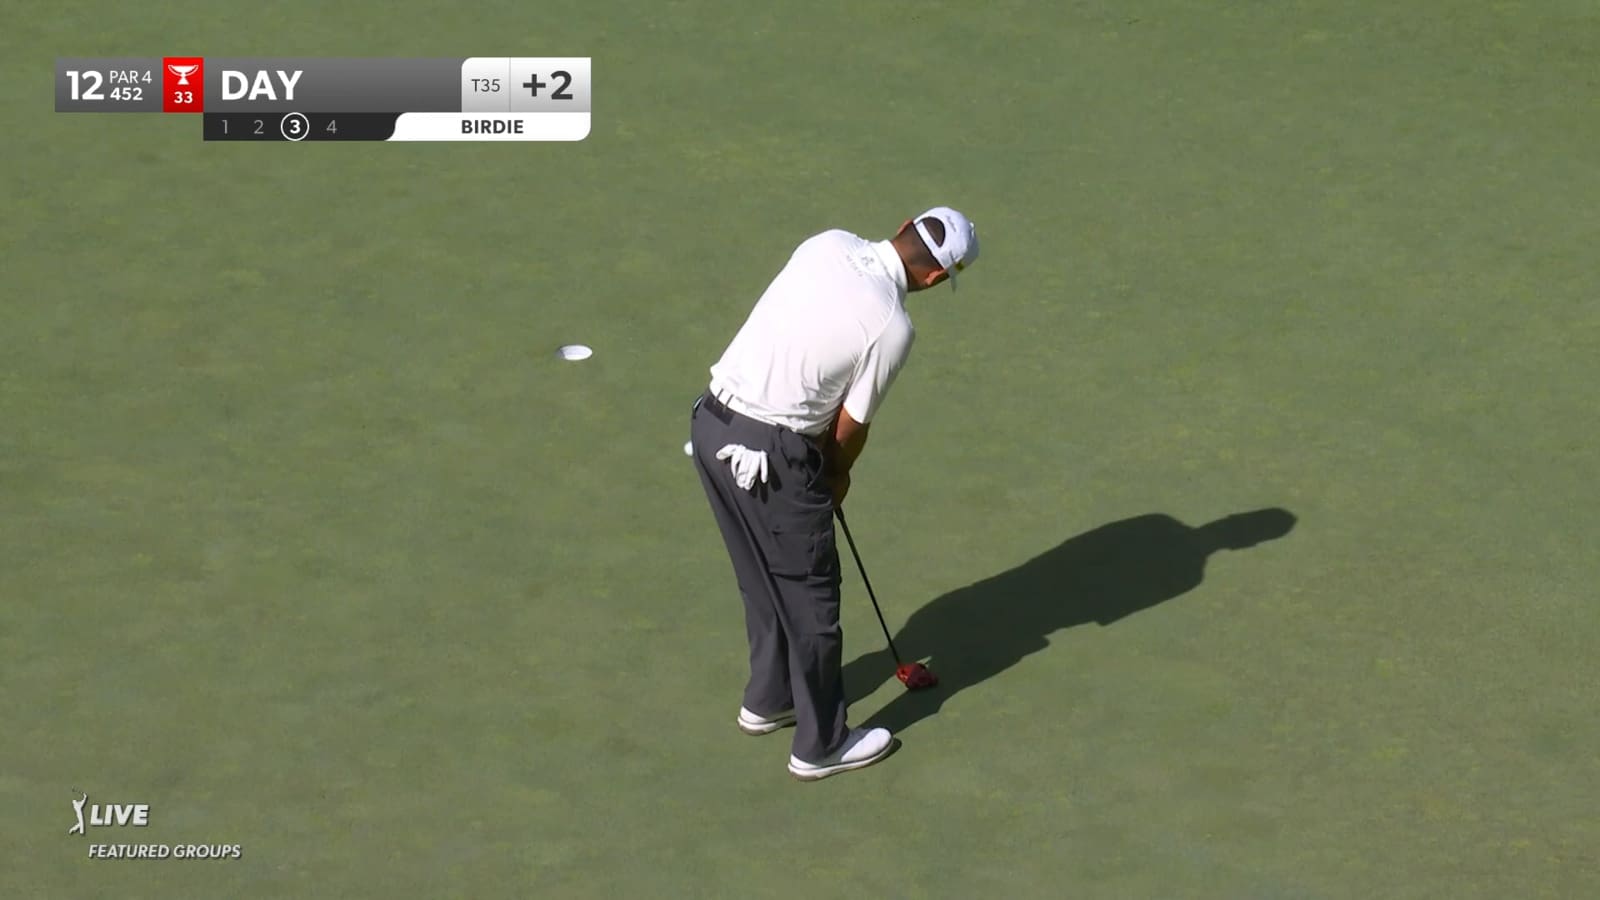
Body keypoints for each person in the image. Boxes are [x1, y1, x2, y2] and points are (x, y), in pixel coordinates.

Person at [689, 207, 980, 780]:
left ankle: (769, 698)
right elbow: (850, 426)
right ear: (935, 276)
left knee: (759, 576)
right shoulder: (893, 326)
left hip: (711, 428)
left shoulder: (827, 242)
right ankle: (821, 745)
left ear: (904, 224)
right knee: (812, 600)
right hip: (770, 458)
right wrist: (834, 479)